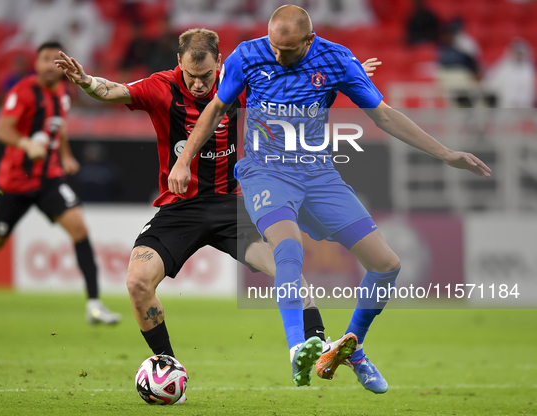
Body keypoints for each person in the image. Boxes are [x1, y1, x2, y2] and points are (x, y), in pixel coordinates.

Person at [168, 5, 492, 391]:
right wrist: (184, 160)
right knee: (288, 248)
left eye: (287, 51)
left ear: (309, 40)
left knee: (386, 264)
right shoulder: (247, 55)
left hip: (318, 175)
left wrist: (446, 154)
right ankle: (298, 349)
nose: (278, 55)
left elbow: (384, 115)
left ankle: (351, 349)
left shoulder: (337, 60)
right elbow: (217, 108)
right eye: (274, 46)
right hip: (265, 171)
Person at [54, 29, 382, 392]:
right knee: (136, 282)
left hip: (232, 206)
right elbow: (113, 90)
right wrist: (85, 81)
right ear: (178, 63)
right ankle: (166, 362)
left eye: (206, 76)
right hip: (180, 209)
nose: (197, 85)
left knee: (287, 266)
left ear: (219, 65)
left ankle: (315, 342)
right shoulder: (160, 86)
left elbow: (293, 89)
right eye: (191, 76)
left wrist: (342, 77)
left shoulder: (237, 82)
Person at [0, 42, 121, 325]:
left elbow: (58, 126)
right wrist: (27, 144)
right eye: (44, 59)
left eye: (56, 59)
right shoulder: (23, 92)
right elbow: (3, 130)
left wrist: (65, 156)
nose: (50, 64)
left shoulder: (62, 94)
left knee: (79, 228)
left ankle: (94, 305)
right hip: (15, 183)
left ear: (63, 64)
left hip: (49, 179)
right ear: (36, 64)